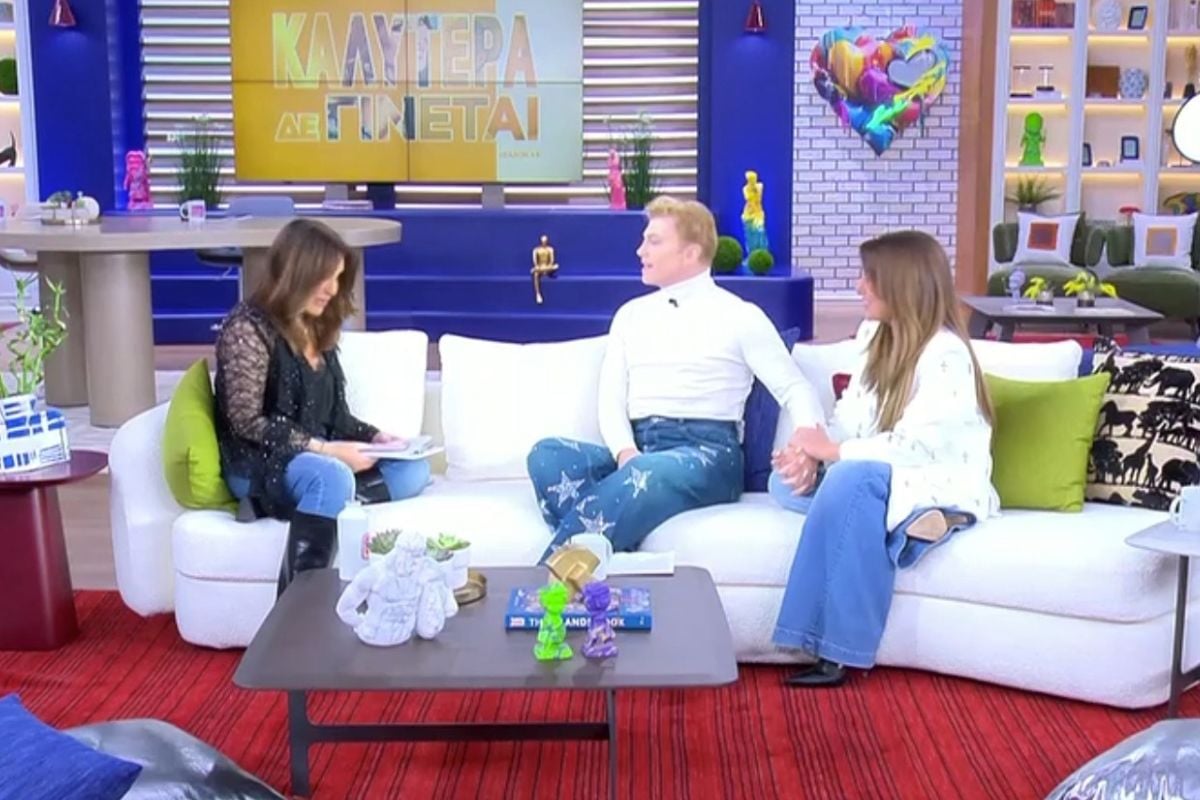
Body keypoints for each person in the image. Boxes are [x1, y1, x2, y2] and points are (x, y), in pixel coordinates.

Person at [527, 197, 825, 559]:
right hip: (641, 450)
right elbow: (611, 398)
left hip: (708, 453)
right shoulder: (630, 315)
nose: (640, 251)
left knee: (646, 474)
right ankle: (615, 556)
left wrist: (808, 444)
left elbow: (795, 388)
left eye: (654, 241)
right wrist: (625, 453)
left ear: (691, 252)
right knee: (547, 456)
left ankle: (551, 578)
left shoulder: (740, 315)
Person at [769, 230, 999, 688]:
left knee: (848, 483)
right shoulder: (875, 336)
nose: (858, 286)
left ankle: (836, 648)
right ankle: (909, 527)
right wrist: (810, 457)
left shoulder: (946, 353)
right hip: (878, 469)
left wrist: (834, 455)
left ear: (902, 283)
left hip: (933, 472)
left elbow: (919, 446)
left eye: (868, 277)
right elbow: (850, 419)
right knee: (783, 482)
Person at [214, 218, 430, 595]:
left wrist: (376, 438)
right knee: (331, 477)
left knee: (413, 469)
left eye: (338, 278)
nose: (333, 289)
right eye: (325, 278)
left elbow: (336, 416)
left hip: (316, 458)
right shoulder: (248, 327)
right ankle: (296, 608)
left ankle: (319, 499)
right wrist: (325, 450)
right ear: (297, 273)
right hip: (259, 461)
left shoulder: (318, 326)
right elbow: (245, 421)